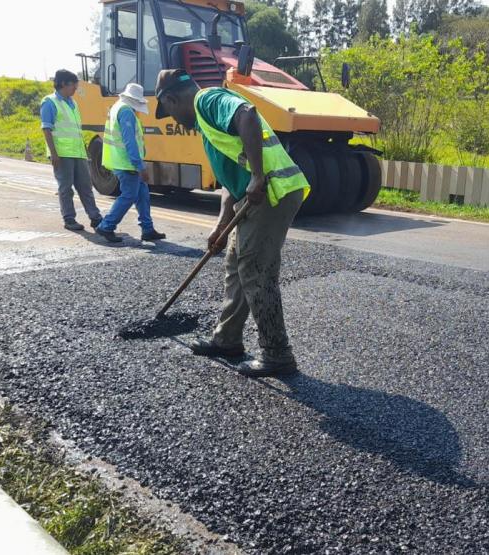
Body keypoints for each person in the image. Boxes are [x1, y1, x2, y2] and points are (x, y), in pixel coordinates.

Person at [154, 69, 310, 377]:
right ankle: (227, 339)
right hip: (255, 197)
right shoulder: (208, 126)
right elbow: (229, 178)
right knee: (236, 265)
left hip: (272, 194)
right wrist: (222, 224)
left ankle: (277, 353)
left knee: (255, 270)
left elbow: (247, 114)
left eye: (168, 112)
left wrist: (257, 175)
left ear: (171, 99)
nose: (172, 119)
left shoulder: (207, 100)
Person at [95, 83, 166, 243]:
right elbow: (130, 142)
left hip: (123, 161)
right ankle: (106, 226)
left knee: (142, 195)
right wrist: (139, 165)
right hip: (127, 163)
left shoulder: (117, 107)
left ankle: (147, 229)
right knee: (129, 195)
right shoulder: (126, 111)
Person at [40, 70, 103, 231]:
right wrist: (54, 154)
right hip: (62, 154)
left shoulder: (72, 103)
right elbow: (46, 129)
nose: (75, 88)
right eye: (73, 85)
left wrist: (84, 150)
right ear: (63, 84)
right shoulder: (49, 102)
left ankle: (95, 218)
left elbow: (74, 129)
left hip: (77, 152)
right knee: (66, 188)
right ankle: (69, 219)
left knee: (85, 187)